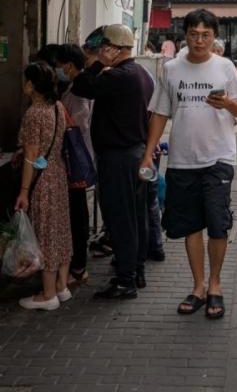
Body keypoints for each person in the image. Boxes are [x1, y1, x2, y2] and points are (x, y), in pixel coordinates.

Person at [142, 8, 237, 320]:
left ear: (214, 37)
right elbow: (160, 113)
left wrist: (227, 103)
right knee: (191, 225)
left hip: (219, 158)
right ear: (184, 35)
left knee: (217, 223)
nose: (200, 40)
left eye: (206, 35)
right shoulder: (171, 69)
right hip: (182, 160)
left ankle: (216, 284)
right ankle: (198, 286)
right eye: (194, 34)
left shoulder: (225, 67)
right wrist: (148, 152)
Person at [72, 24, 153, 299]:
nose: (96, 55)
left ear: (113, 49)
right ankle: (136, 271)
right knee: (135, 216)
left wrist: (97, 65)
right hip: (135, 154)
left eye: (102, 49)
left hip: (118, 158)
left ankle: (125, 280)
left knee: (120, 218)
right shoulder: (141, 74)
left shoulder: (118, 76)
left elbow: (81, 86)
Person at [15, 62, 72, 310]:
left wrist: (24, 191)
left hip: (42, 181)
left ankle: (47, 294)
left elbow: (31, 156)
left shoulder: (34, 113)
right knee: (59, 230)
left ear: (30, 85)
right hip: (58, 175)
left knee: (46, 233)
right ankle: (61, 286)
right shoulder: (57, 107)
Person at [56, 44, 94, 284]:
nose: (57, 70)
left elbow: (80, 123)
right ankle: (78, 264)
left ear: (68, 65)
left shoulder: (79, 89)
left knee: (77, 214)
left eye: (59, 65)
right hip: (78, 159)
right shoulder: (78, 86)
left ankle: (78, 266)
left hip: (76, 161)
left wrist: (59, 118)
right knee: (78, 212)